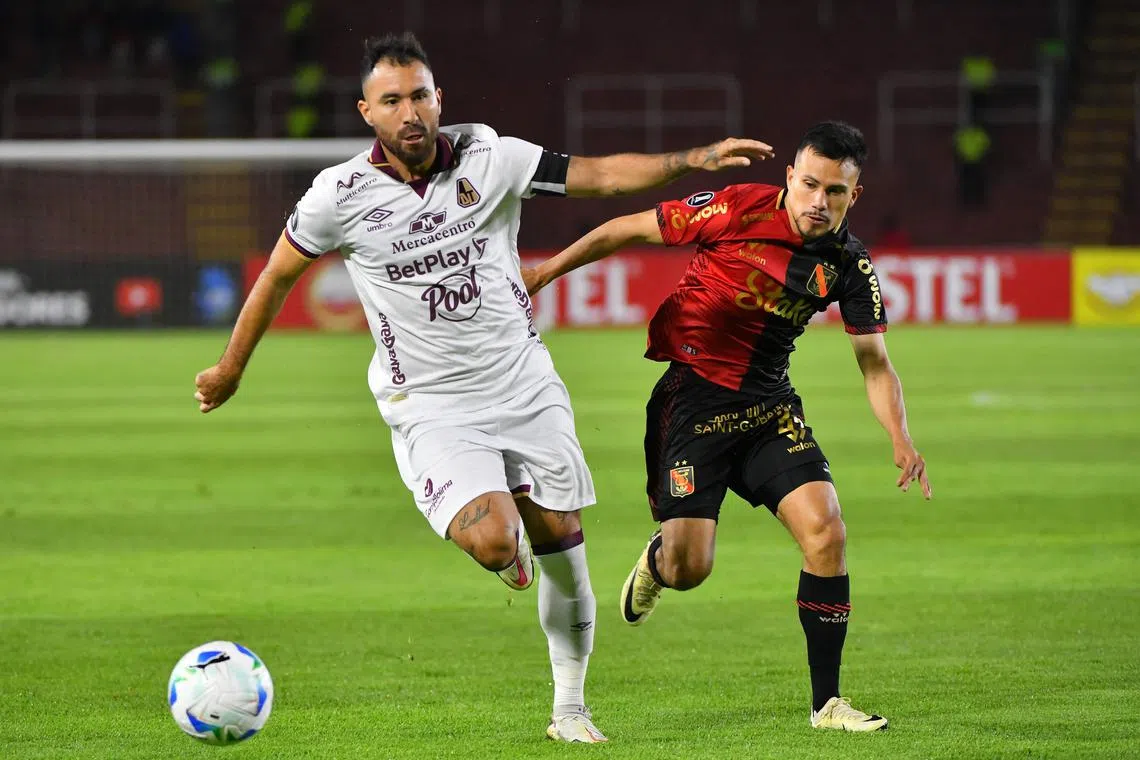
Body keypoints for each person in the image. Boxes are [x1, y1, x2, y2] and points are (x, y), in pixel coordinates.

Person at [192, 31, 774, 743]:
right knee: (499, 542)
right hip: (432, 404)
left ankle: (570, 710)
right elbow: (279, 276)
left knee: (563, 546)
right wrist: (230, 369)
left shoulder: (492, 156)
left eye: (420, 95)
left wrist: (694, 158)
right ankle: (506, 551)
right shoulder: (337, 197)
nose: (410, 111)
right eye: (392, 100)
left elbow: (601, 176)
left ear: (439, 99)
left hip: (523, 386)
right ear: (365, 112)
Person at [523, 121, 932, 732]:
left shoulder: (850, 265)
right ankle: (661, 561)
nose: (820, 202)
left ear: (855, 196)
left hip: (768, 409)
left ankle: (827, 705)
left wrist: (900, 438)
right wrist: (543, 274)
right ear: (790, 178)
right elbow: (626, 227)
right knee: (692, 570)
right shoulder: (737, 208)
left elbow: (875, 362)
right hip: (692, 403)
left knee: (827, 533)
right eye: (811, 185)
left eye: (836, 193)